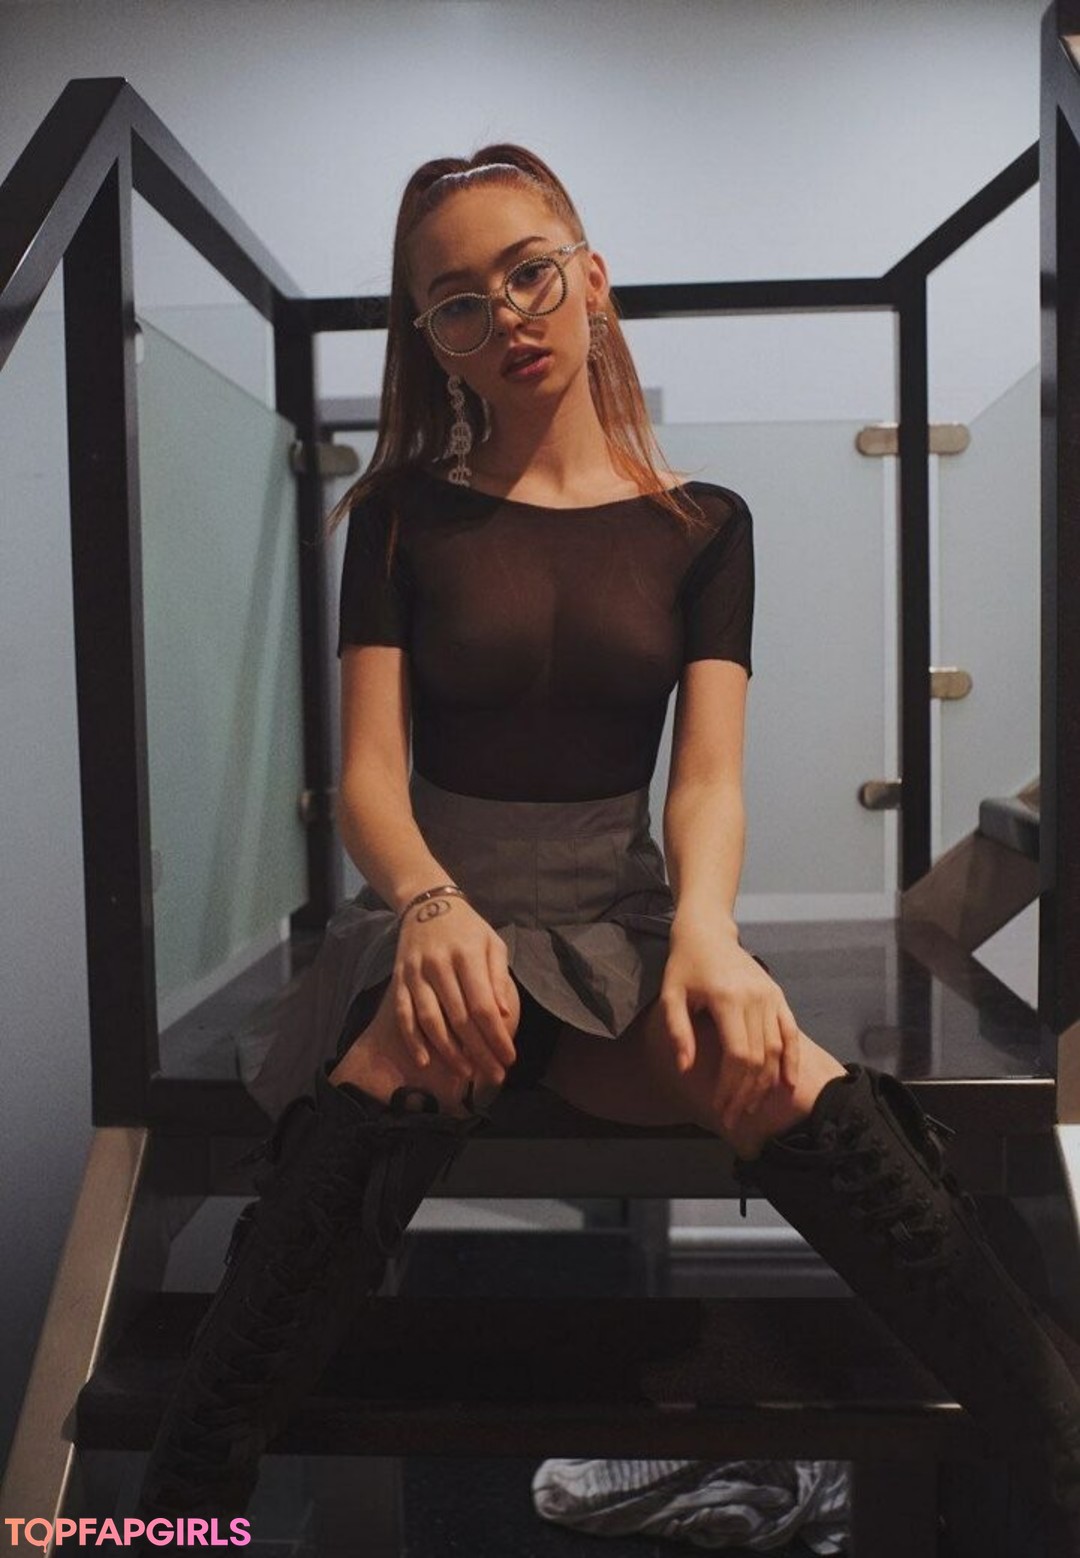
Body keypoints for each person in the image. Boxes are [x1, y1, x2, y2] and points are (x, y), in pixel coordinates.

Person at [133, 144, 1080, 1550]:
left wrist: (708, 934)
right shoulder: (397, 516)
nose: (506, 316)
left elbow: (707, 782)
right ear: (432, 339)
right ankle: (174, 1512)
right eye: (458, 302)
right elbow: (370, 782)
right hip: (442, 922)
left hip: (617, 931)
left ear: (591, 277)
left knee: (785, 1071)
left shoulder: (705, 526)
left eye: (528, 272)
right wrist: (430, 907)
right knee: (410, 1051)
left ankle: (1062, 1462)